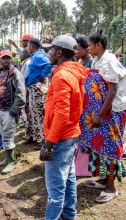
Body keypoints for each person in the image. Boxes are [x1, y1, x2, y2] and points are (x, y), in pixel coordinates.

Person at [41, 35, 88, 220]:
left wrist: (49, 143)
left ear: (59, 52)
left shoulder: (61, 75)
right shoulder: (74, 72)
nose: (48, 53)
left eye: (50, 49)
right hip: (70, 135)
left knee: (55, 191)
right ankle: (69, 215)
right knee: (68, 180)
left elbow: (62, 114)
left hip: (60, 138)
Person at [79, 30, 126, 203]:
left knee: (110, 148)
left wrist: (99, 115)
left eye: (90, 45)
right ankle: (102, 179)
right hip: (100, 114)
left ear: (98, 45)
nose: (88, 48)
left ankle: (111, 187)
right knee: (99, 147)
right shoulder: (98, 60)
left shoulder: (110, 61)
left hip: (111, 113)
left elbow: (112, 90)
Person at [0, 50, 26, 173]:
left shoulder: (15, 74)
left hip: (9, 110)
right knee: (3, 134)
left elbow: (21, 94)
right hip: (0, 109)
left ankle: (12, 161)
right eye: (4, 58)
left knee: (9, 135)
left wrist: (14, 111)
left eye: (8, 58)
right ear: (0, 60)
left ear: (11, 59)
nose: (6, 60)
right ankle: (7, 158)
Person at [24, 38, 53, 146]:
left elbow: (48, 65)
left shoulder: (38, 56)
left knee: (39, 114)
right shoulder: (35, 56)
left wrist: (42, 75)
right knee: (32, 113)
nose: (27, 48)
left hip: (37, 89)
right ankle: (34, 136)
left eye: (28, 46)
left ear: (32, 46)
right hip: (32, 89)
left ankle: (42, 139)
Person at [74, 35, 94, 177]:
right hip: (80, 100)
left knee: (86, 134)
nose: (76, 51)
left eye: (78, 49)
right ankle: (79, 162)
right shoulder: (80, 60)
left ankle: (85, 166)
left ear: (86, 49)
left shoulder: (91, 63)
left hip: (89, 103)